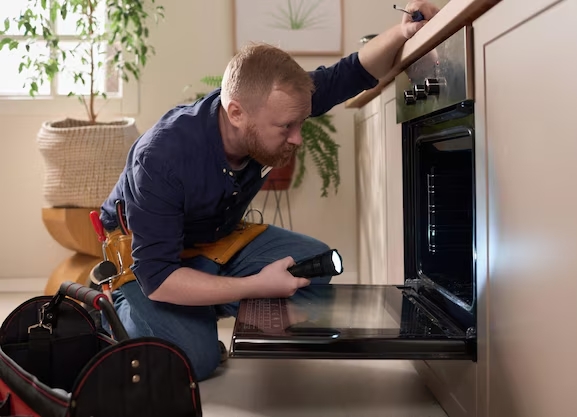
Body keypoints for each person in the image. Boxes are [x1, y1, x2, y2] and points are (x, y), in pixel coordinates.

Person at [98, 0, 440, 381]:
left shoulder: (276, 101)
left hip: (213, 240)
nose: (297, 138)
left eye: (299, 123)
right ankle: (119, 310)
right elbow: (158, 277)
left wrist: (404, 30)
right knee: (195, 360)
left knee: (314, 265)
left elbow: (354, 71)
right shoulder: (162, 157)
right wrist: (256, 286)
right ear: (236, 113)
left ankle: (200, 304)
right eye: (285, 128)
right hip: (147, 262)